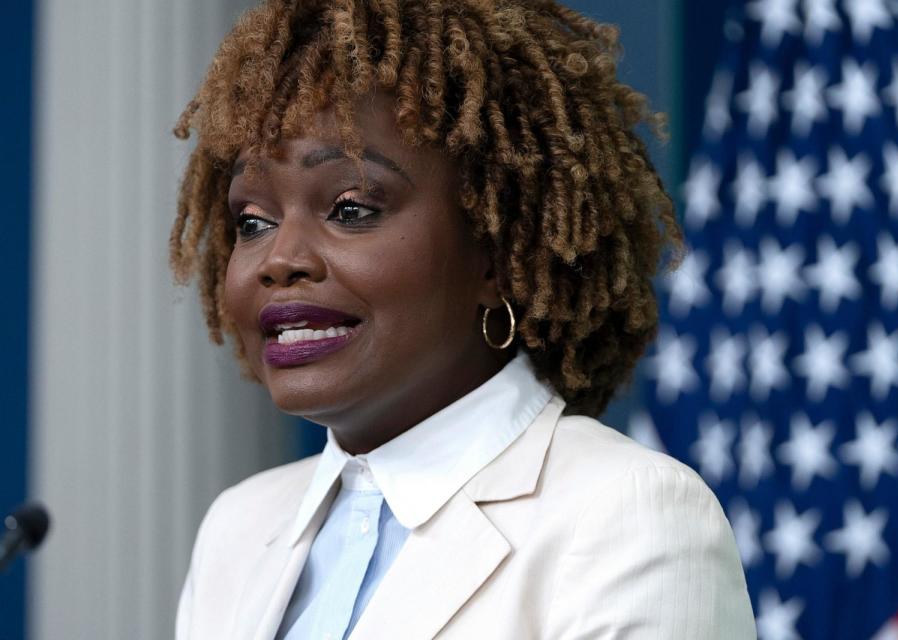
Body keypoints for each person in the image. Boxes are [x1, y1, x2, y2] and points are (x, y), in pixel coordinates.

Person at [170, 0, 755, 638]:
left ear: (497, 253)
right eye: (252, 222)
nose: (278, 259)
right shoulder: (238, 528)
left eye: (351, 208)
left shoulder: (630, 514)